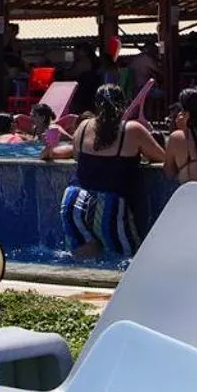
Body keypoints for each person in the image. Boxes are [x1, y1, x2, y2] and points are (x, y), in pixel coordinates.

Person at [42, 83, 167, 261]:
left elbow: (77, 155)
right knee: (129, 261)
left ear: (96, 104)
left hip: (73, 199)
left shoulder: (84, 125)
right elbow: (161, 157)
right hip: (108, 203)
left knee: (85, 262)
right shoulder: (132, 129)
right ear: (123, 104)